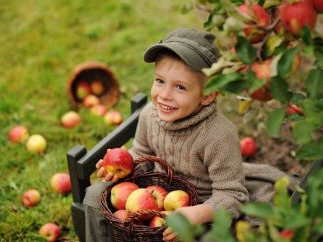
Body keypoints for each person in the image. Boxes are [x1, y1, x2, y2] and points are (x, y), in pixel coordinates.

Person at [83, 28, 297, 242]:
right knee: (95, 195)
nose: (164, 95)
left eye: (180, 87)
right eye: (159, 81)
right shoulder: (150, 114)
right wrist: (124, 170)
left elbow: (233, 196)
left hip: (202, 207)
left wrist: (198, 214)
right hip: (154, 195)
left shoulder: (218, 135)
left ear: (207, 95)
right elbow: (141, 154)